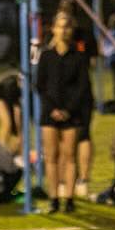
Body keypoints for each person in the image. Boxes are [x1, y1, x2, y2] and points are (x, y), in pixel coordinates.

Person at [36, 11, 90, 213]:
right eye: (60, 26)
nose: (64, 30)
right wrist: (53, 109)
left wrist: (68, 110)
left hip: (71, 113)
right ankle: (54, 199)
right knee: (50, 157)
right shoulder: (46, 56)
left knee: (69, 157)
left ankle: (68, 199)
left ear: (71, 30)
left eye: (67, 26)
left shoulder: (78, 57)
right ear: (53, 29)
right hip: (49, 113)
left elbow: (82, 87)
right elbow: (40, 85)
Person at [0, 71, 23, 153]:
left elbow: (17, 109)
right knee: (7, 123)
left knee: (20, 126)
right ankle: (1, 151)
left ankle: (20, 152)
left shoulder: (24, 88)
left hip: (10, 101)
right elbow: (11, 107)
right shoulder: (11, 86)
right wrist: (14, 129)